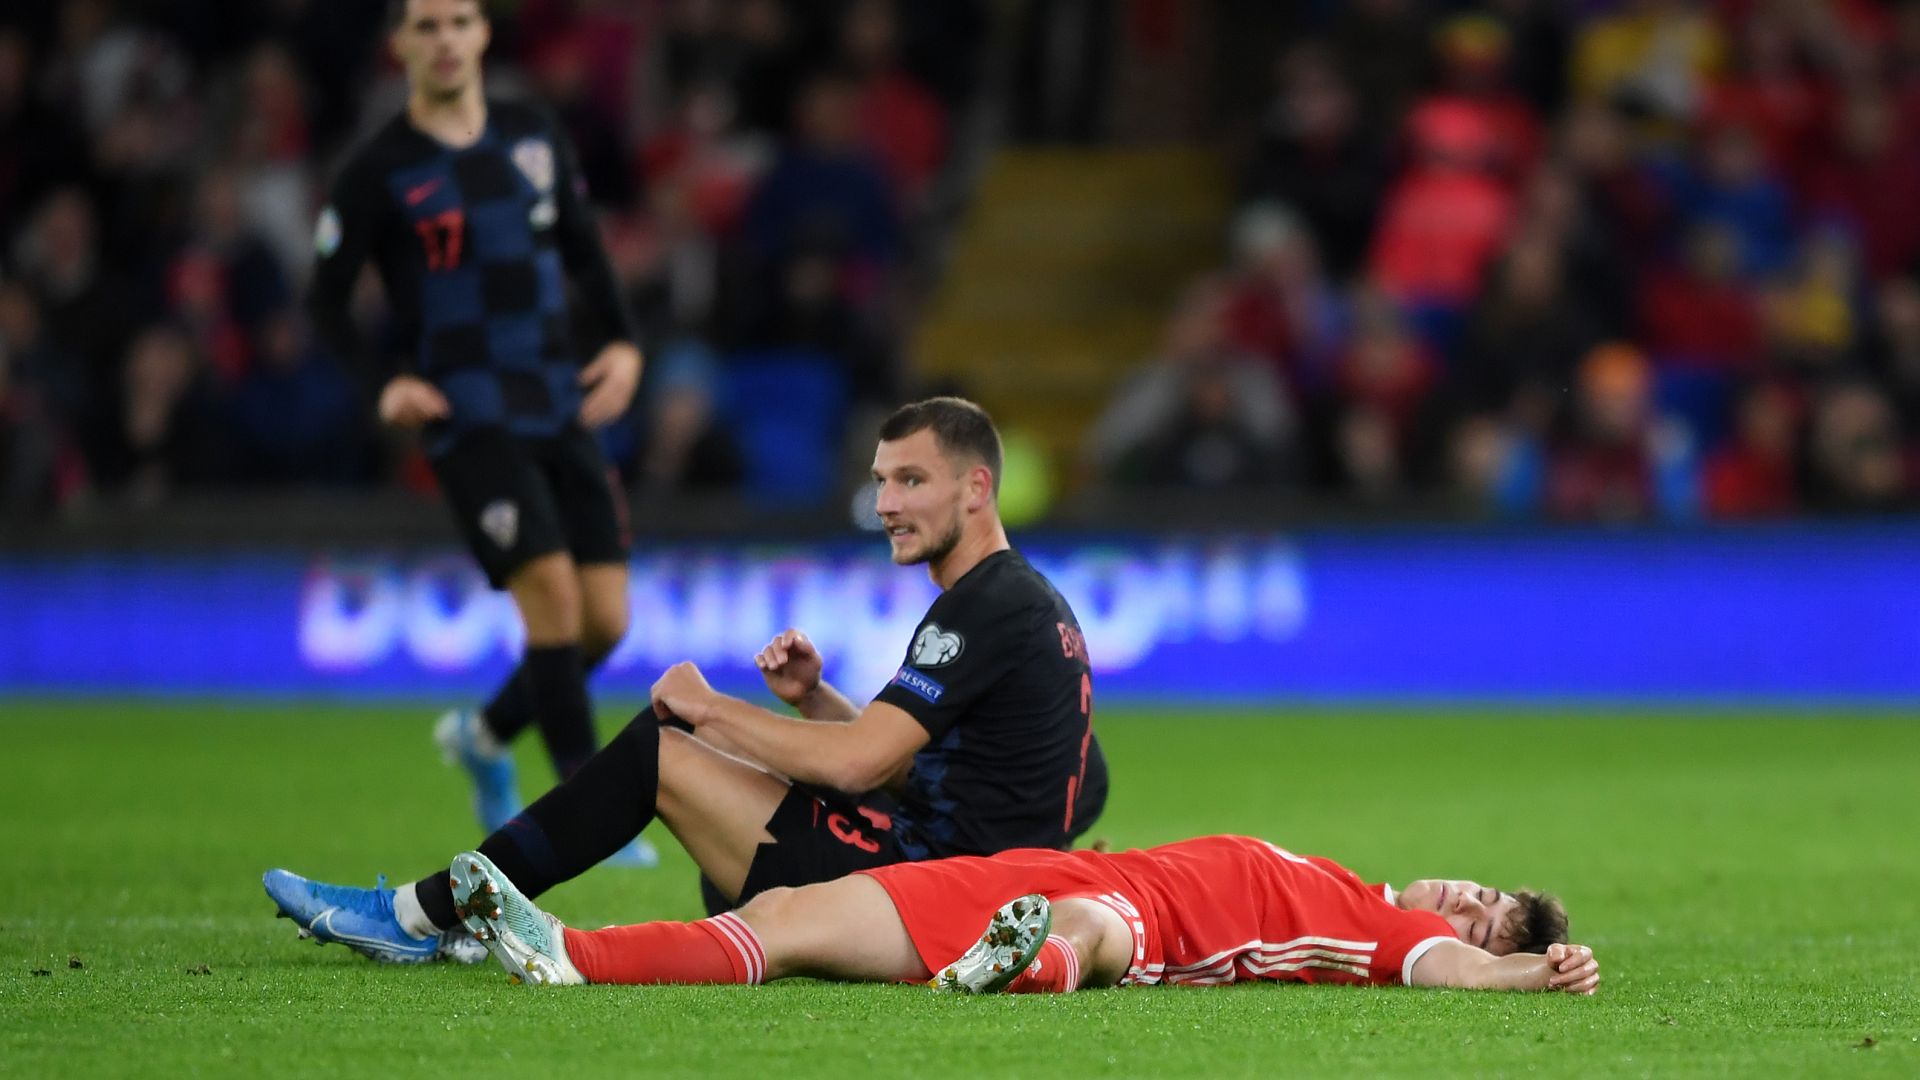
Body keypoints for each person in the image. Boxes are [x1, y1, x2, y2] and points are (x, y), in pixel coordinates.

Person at [265, 397, 1110, 963]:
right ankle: (458, 914)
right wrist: (815, 703)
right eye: (881, 479)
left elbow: (860, 766)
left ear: (977, 488)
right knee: (727, 830)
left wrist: (710, 710)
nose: (885, 502)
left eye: (911, 480)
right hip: (972, 879)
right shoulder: (1024, 602)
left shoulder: (986, 605)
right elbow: (946, 765)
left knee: (662, 755)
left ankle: (422, 916)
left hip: (932, 894)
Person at [306, 0, 653, 861]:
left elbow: (583, 249)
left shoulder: (533, 137)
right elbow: (325, 299)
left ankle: (485, 735)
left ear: (484, 34)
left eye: (459, 21)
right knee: (554, 600)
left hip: (558, 398)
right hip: (468, 413)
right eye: (425, 26)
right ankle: (588, 807)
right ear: (399, 45)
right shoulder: (379, 166)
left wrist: (623, 345)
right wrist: (384, 381)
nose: (445, 40)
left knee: (605, 622)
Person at [442, 833, 1599, 995]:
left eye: (1488, 918)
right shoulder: (1349, 879)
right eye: (1486, 890)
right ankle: (574, 953)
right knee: (788, 909)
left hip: (1155, 924)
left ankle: (1025, 967)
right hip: (1065, 863)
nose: (1469, 903)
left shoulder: (1396, 937)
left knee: (1087, 928)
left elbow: (1439, 971)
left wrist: (1518, 976)